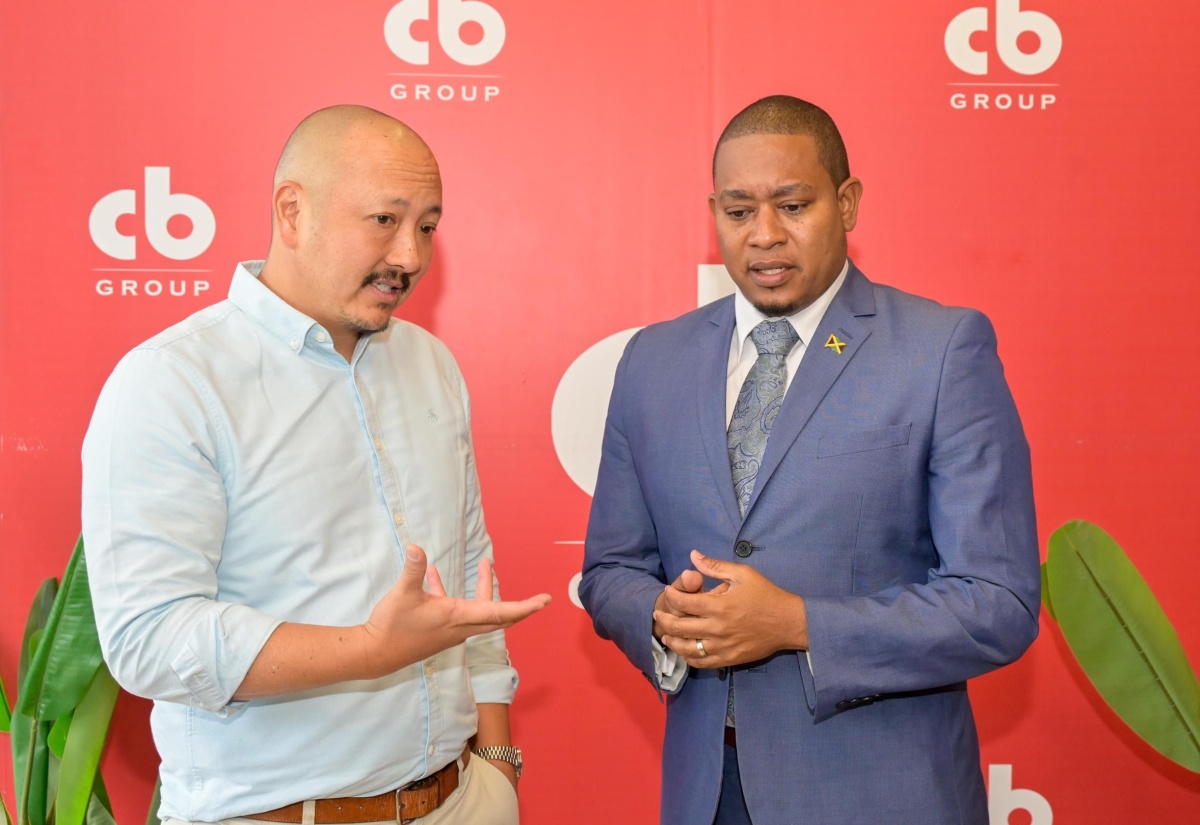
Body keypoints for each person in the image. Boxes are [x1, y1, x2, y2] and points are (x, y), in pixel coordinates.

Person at [82, 105, 550, 825]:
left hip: (462, 797)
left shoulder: (430, 365)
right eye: (384, 221)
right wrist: (366, 649)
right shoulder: (172, 382)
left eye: (427, 226)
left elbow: (468, 569)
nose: (411, 256)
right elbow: (149, 639)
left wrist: (497, 763)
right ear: (292, 212)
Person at [579, 95, 1040, 824]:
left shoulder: (942, 350)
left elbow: (999, 601)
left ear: (847, 202)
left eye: (793, 205)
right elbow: (610, 568)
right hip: (708, 793)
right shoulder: (652, 361)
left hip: (885, 796)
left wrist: (798, 623)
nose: (765, 236)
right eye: (738, 212)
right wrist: (661, 615)